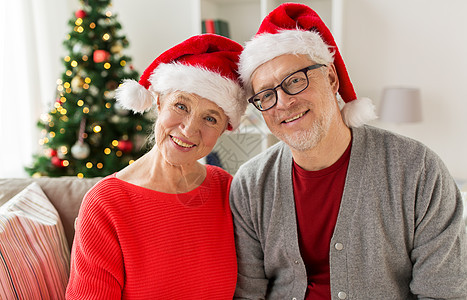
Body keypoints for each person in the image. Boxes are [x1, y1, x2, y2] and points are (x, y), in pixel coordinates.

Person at [230, 3, 467, 299]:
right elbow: (247, 294)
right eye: (266, 95)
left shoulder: (417, 170)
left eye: (294, 81)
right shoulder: (250, 184)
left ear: (331, 78)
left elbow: (443, 292)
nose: (282, 103)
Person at [66, 34, 247, 299]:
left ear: (222, 130)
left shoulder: (227, 189)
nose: (189, 129)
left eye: (210, 118)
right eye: (181, 105)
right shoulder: (106, 203)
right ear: (160, 102)